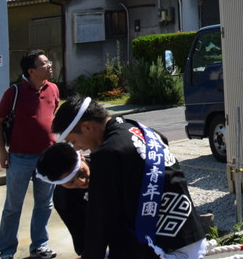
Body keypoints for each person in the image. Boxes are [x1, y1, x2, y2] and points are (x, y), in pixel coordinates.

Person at [52, 96, 207, 259]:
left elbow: (101, 216)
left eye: (73, 141)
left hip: (163, 247)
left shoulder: (108, 153)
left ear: (87, 127)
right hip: (188, 231)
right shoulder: (141, 129)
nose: (78, 148)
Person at [0, 49, 60, 259]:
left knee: (45, 204)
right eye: (44, 63)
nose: (50, 65)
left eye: (49, 61)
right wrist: (2, 152)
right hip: (20, 158)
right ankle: (7, 252)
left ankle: (39, 246)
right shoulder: (13, 92)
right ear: (31, 71)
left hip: (47, 158)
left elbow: (53, 115)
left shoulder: (53, 89)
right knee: (13, 207)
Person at [35, 142, 90, 257]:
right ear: (59, 184)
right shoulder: (64, 200)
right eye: (71, 182)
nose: (82, 181)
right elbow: (81, 236)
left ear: (82, 157)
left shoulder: (107, 165)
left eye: (81, 172)